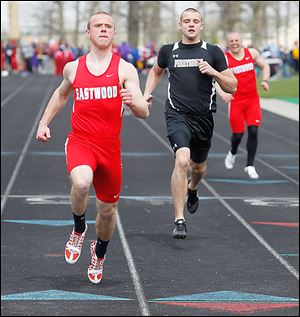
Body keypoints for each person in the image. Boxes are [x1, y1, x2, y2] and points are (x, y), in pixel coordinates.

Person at [36, 11, 149, 284]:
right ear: (88, 32)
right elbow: (61, 94)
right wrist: (44, 122)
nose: (103, 30)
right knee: (82, 182)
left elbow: (144, 111)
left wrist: (133, 101)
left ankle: (99, 252)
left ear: (114, 33)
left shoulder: (125, 69)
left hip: (110, 148)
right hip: (81, 141)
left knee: (108, 212)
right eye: (98, 26)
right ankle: (78, 229)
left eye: (108, 26)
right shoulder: (74, 68)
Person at [143, 8, 237, 239]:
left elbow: (232, 85)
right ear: (180, 25)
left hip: (203, 118)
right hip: (177, 115)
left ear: (202, 26)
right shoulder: (169, 51)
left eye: (196, 21)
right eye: (187, 21)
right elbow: (156, 72)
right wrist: (146, 93)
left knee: (199, 168)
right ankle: (179, 219)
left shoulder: (213, 52)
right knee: (182, 159)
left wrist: (213, 71)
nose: (191, 24)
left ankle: (193, 188)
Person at [216, 32, 270, 179]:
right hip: (236, 102)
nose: (234, 43)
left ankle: (250, 165)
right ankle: (232, 152)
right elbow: (217, 79)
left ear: (242, 41)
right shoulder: (225, 59)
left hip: (252, 100)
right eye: (231, 41)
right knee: (238, 135)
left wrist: (265, 80)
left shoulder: (251, 53)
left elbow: (265, 66)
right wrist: (223, 94)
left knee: (253, 130)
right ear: (227, 43)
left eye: (237, 40)